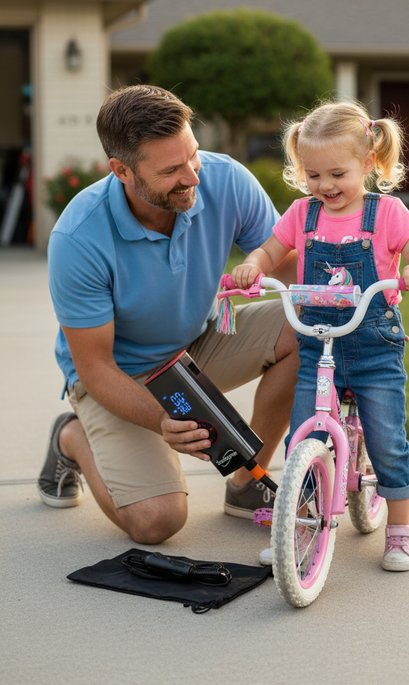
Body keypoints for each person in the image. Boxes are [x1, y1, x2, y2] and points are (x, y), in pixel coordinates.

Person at [38, 85, 299, 544]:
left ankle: (245, 484)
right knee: (157, 522)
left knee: (307, 331)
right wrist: (162, 421)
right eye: (171, 170)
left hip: (195, 347)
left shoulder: (226, 179)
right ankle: (73, 438)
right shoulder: (78, 237)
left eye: (193, 156)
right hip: (121, 375)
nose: (193, 177)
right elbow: (94, 366)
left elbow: (289, 264)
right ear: (121, 170)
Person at [230, 99, 409, 572]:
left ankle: (400, 529)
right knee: (304, 434)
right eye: (313, 174)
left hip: (372, 351)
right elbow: (269, 250)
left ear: (368, 164)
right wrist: (251, 267)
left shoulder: (386, 213)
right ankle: (298, 524)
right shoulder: (302, 214)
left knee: (386, 439)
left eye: (337, 174)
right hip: (315, 344)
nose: (324, 186)